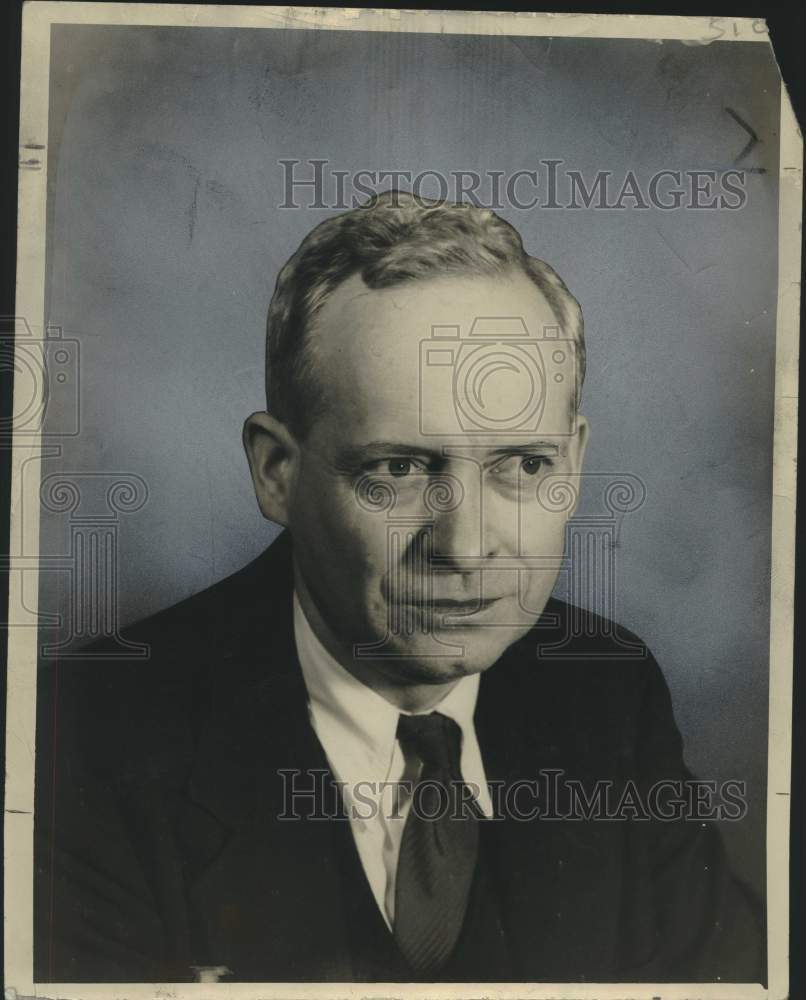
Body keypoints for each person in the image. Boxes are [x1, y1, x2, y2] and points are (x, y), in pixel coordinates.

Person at [35, 191, 763, 984]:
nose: (465, 546)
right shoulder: (79, 744)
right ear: (277, 472)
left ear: (575, 463)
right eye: (398, 469)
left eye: (523, 466)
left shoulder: (606, 690)